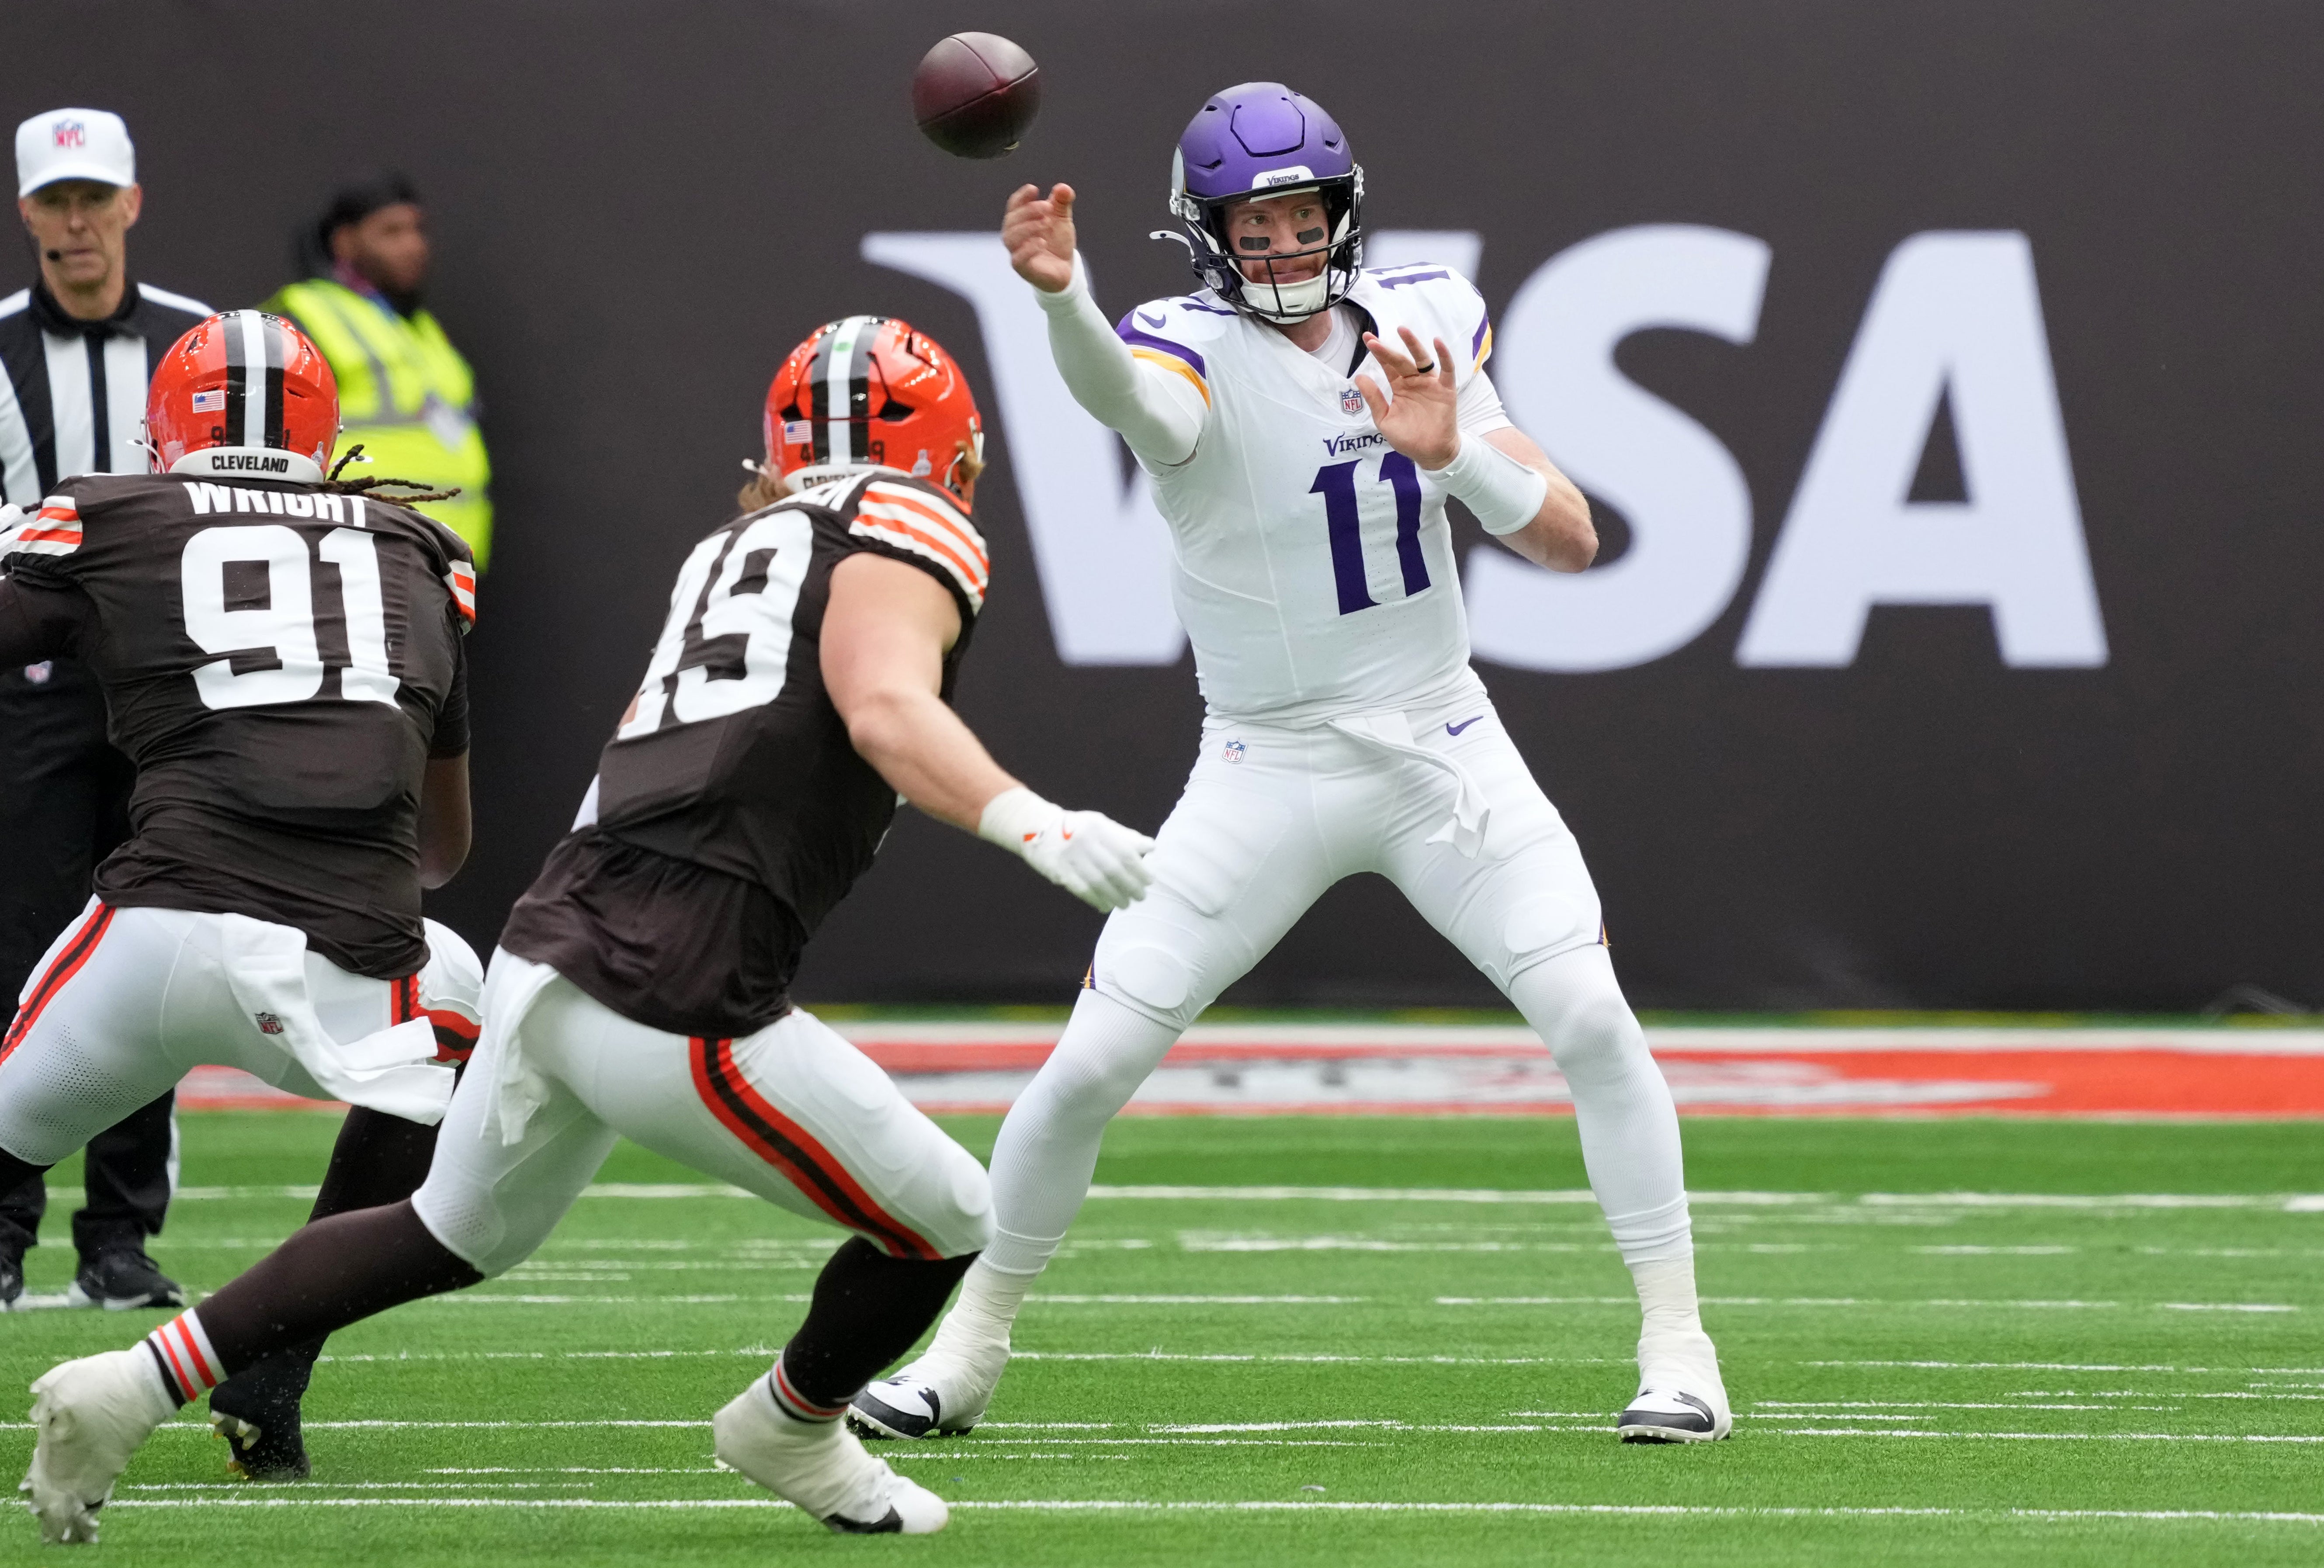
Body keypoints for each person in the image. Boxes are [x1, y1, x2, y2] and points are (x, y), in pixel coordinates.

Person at [21, 315, 1157, 1544]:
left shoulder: (736, 542)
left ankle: (121, 1387)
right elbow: (881, 705)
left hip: (554, 935)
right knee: (946, 1217)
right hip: (680, 974)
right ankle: (791, 1421)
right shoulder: (909, 516)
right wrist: (1033, 822)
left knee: (450, 1229)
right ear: (957, 460)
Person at [855, 83, 1730, 1447]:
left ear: (1341, 212)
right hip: (1261, 765)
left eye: (1296, 216)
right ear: (1206, 237)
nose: (1276, 244)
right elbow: (1128, 398)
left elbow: (1570, 538)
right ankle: (965, 1348)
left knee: (1591, 1021)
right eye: (1248, 224)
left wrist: (1462, 460)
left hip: (1442, 745)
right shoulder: (1177, 343)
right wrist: (1056, 302)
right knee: (1085, 1066)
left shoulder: (1428, 318)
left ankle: (1678, 1347)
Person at [0, 309, 486, 1536]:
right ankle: (271, 1355)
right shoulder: (418, 548)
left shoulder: (110, 511)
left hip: (155, 937)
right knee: (460, 988)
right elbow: (443, 845)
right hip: (345, 954)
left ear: (170, 428)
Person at [0, 107, 219, 1313]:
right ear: (27, 209)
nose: (75, 222)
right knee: (20, 955)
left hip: (160, 697)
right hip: (27, 692)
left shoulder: (197, 346)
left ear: (131, 202)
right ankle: (1, 1221)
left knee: (152, 957)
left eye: (94, 199)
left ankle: (119, 1238)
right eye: (54, 201)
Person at [264, 174, 492, 567]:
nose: (414, 245)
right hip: (364, 559)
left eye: (418, 230)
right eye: (391, 232)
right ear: (345, 242)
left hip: (448, 566)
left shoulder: (421, 328)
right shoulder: (305, 316)